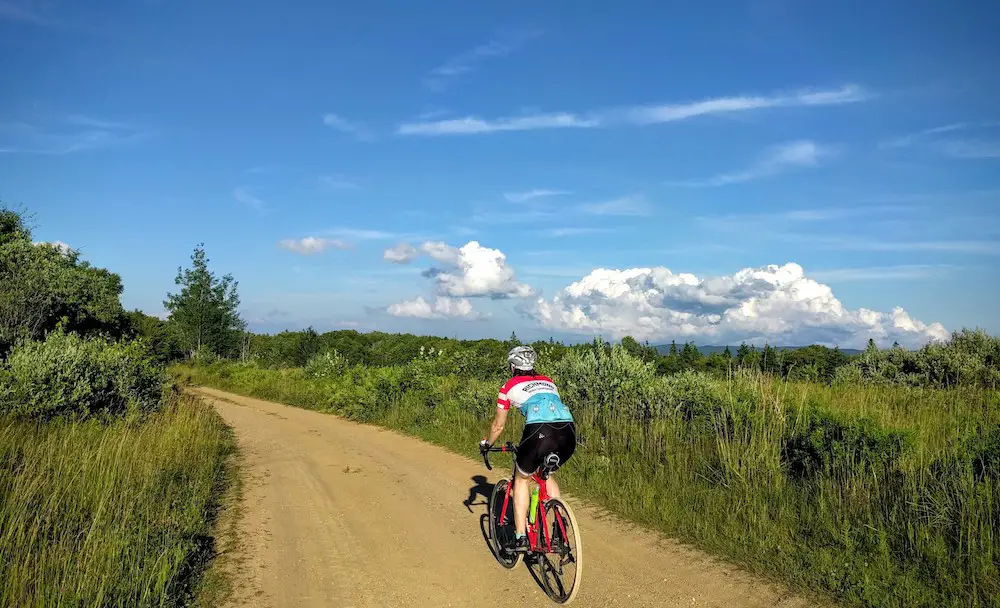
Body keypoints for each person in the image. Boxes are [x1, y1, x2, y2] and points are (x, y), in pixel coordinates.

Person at [480, 345, 576, 554]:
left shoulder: (508, 386)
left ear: (513, 366)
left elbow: (498, 425)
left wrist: (487, 444)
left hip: (539, 431)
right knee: (546, 474)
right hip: (568, 432)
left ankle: (521, 536)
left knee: (522, 479)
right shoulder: (548, 381)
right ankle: (560, 529)